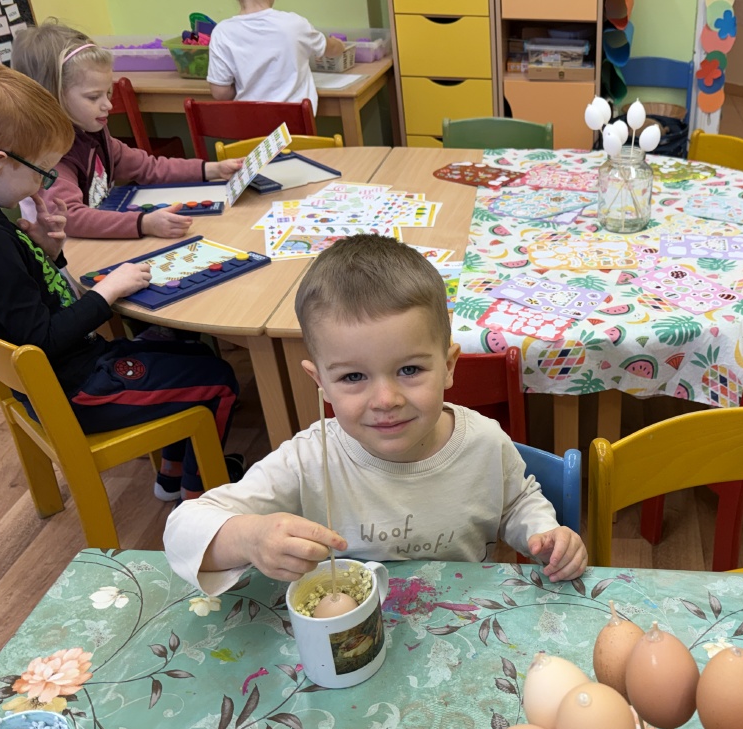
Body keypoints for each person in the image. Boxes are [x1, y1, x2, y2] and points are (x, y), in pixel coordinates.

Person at [164, 235, 588, 596]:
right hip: (347, 637)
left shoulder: (485, 442)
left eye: (410, 370)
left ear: (448, 366)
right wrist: (250, 538)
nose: (386, 399)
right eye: (353, 377)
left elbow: (517, 501)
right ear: (320, 382)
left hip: (462, 619)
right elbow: (183, 528)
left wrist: (542, 532)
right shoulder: (308, 460)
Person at [0, 64, 242, 502]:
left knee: (194, 354)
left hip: (73, 371)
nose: (44, 185)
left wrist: (49, 252)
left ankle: (173, 476)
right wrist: (107, 292)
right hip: (75, 391)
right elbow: (41, 340)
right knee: (219, 380)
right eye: (41, 172)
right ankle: (202, 500)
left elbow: (28, 302)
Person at [11, 21, 243, 240]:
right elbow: (70, 218)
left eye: (108, 93)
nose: (108, 105)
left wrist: (213, 169)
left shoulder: (93, 132)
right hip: (63, 258)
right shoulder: (51, 157)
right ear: (52, 97)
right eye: (93, 97)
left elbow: (148, 167)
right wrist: (143, 223)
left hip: (96, 241)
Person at [207, 0, 346, 115]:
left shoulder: (222, 32)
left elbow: (220, 93)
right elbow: (332, 49)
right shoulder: (294, 24)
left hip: (250, 130)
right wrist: (340, 44)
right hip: (294, 129)